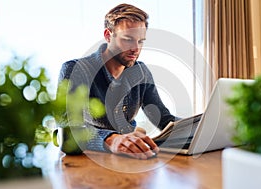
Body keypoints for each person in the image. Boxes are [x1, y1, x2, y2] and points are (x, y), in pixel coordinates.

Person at [59, 3, 179, 159]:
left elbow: (165, 120)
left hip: (132, 156)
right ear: (108, 35)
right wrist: (112, 139)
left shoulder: (142, 72)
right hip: (87, 161)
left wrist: (202, 125)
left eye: (141, 41)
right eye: (128, 39)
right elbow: (67, 130)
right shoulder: (75, 69)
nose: (136, 48)